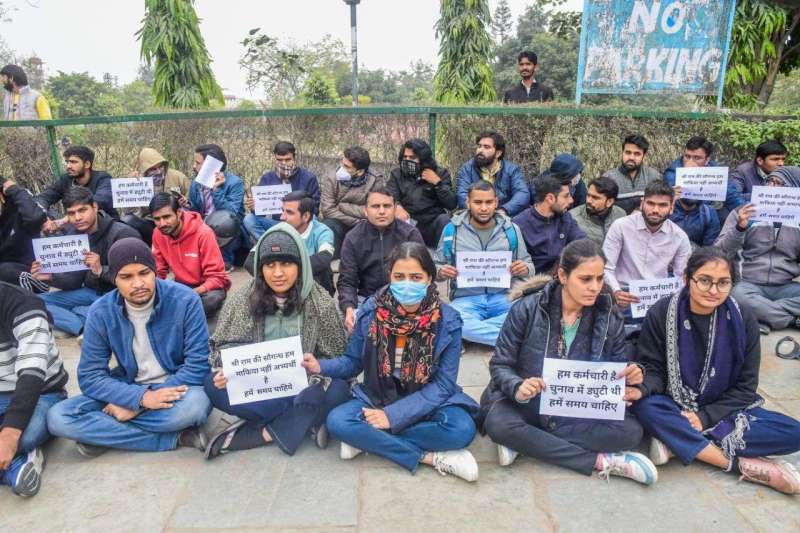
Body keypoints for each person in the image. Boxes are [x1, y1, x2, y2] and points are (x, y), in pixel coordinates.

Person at [480, 240, 657, 485]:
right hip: (527, 403)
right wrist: (518, 386)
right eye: (585, 279)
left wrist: (630, 376)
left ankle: (527, 443)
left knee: (631, 431)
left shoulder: (609, 316)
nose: (595, 287)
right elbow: (500, 364)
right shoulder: (528, 308)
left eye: (599, 279)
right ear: (563, 275)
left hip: (575, 407)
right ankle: (600, 462)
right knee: (498, 423)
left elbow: (615, 368)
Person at [632, 247, 800, 494]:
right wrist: (643, 387)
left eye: (723, 283)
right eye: (704, 281)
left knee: (794, 433)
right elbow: (654, 370)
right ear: (687, 279)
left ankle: (674, 439)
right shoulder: (661, 312)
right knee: (646, 406)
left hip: (724, 410)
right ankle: (736, 464)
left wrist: (704, 417)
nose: (713, 290)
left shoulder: (743, 319)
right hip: (673, 402)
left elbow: (745, 388)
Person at [308, 242, 481, 482]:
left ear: (430, 278)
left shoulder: (448, 320)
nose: (407, 283)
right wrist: (320, 366)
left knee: (461, 429)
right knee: (338, 421)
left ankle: (368, 441)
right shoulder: (370, 311)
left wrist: (394, 415)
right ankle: (429, 457)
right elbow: (352, 362)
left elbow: (443, 385)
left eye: (416, 277)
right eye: (399, 276)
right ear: (389, 276)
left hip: (427, 398)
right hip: (378, 394)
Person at [46, 238, 212, 456]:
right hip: (128, 386)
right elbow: (90, 376)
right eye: (126, 277)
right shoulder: (100, 312)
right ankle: (176, 437)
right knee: (58, 418)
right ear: (114, 279)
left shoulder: (186, 300)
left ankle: (104, 435)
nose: (138, 284)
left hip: (178, 387)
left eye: (144, 273)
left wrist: (137, 405)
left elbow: (198, 367)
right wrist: (138, 397)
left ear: (155, 272)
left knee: (196, 406)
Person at [203, 224, 350, 458]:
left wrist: (315, 367)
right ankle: (305, 421)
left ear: (300, 265)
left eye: (286, 264)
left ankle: (259, 433)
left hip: (304, 385)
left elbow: (339, 358)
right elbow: (223, 346)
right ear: (261, 268)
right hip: (260, 387)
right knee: (212, 385)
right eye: (270, 265)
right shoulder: (243, 299)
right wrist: (226, 369)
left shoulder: (319, 302)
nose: (278, 273)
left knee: (339, 390)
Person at [436, 181, 534, 346]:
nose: (483, 208)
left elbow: (529, 265)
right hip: (466, 299)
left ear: (496, 202)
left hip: (505, 298)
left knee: (528, 314)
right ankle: (511, 339)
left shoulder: (511, 230)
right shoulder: (451, 230)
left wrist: (524, 269)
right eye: (478, 202)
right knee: (449, 316)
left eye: (488, 202)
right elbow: (435, 267)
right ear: (468, 202)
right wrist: (441, 272)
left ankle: (469, 334)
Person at [33, 187, 141, 337]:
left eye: (82, 210)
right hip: (89, 292)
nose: (77, 218)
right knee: (35, 302)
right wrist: (51, 277)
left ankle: (82, 319)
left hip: (118, 296)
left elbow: (137, 279)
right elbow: (74, 282)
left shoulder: (123, 233)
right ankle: (81, 326)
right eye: (71, 213)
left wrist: (101, 270)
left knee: (88, 309)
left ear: (95, 207)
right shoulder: (74, 234)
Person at [0, 282, 67, 497]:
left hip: (42, 392)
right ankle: (15, 466)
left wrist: (9, 435)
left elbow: (32, 374)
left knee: (25, 436)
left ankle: (17, 454)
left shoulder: (24, 305)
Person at [716, 166, 800, 332]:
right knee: (736, 298)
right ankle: (791, 320)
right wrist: (740, 228)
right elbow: (719, 252)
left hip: (785, 286)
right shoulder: (743, 212)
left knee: (743, 305)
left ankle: (761, 316)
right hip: (747, 285)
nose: (772, 187)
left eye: (779, 184)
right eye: (769, 181)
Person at [338, 186, 424, 333]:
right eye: (375, 206)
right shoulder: (353, 238)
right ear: (365, 210)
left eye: (387, 206)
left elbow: (423, 274)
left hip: (406, 297)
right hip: (366, 298)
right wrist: (349, 308)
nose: (382, 211)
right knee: (349, 323)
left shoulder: (410, 234)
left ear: (395, 208)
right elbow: (347, 280)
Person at [603, 181, 692, 314]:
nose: (655, 210)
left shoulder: (679, 237)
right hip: (621, 293)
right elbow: (606, 268)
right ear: (642, 203)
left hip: (658, 296)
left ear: (672, 207)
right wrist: (615, 291)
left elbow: (681, 278)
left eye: (662, 205)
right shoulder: (621, 226)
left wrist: (670, 301)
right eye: (650, 203)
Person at [149, 193, 230, 318]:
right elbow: (158, 271)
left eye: (167, 217)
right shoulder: (157, 234)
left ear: (179, 213)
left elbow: (218, 278)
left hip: (207, 289)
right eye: (157, 219)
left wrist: (191, 293)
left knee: (209, 301)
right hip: (181, 285)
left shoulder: (203, 233)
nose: (162, 223)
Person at [245, 191, 336, 295]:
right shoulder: (278, 230)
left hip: (312, 285)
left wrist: (290, 273)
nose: (282, 217)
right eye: (282, 211)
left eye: (289, 212)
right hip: (280, 286)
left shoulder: (322, 231)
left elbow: (325, 257)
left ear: (306, 216)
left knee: (323, 270)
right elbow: (250, 261)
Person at [182, 144, 245, 270]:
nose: (194, 166)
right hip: (203, 224)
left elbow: (231, 213)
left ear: (211, 165)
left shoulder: (235, 183)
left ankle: (225, 260)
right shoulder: (197, 183)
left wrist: (217, 190)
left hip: (227, 230)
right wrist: (186, 205)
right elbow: (196, 210)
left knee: (223, 221)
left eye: (198, 163)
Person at [243, 141, 321, 242]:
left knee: (313, 219)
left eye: (287, 159)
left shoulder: (308, 178)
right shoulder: (267, 178)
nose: (284, 163)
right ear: (275, 159)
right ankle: (269, 245)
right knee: (249, 219)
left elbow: (315, 208)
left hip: (299, 223)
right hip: (276, 222)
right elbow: (261, 213)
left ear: (294, 158)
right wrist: (255, 208)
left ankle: (303, 248)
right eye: (280, 160)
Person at [385, 138, 456, 248]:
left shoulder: (440, 173)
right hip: (408, 222)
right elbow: (389, 195)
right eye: (405, 157)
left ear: (423, 159)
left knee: (444, 220)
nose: (407, 160)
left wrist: (438, 183)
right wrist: (397, 207)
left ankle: (444, 259)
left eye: (412, 157)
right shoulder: (397, 174)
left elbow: (451, 204)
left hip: (432, 223)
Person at [514, 175, 586, 275]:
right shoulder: (519, 224)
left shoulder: (565, 218)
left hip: (560, 276)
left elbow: (582, 241)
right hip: (531, 282)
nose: (571, 200)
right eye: (566, 196)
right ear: (550, 198)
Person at [36, 146, 117, 230]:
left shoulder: (103, 179)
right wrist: (43, 217)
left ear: (87, 164)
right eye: (67, 162)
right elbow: (44, 198)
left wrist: (68, 218)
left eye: (73, 162)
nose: (68, 166)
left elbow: (101, 200)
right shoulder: (65, 180)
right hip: (78, 229)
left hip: (106, 228)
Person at [663, 136, 744, 221]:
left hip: (707, 216)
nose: (690, 162)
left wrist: (750, 216)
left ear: (707, 160)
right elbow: (686, 201)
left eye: (697, 158)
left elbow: (732, 197)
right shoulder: (672, 172)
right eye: (687, 156)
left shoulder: (715, 172)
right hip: (680, 217)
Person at [122, 147, 192, 245]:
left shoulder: (178, 177)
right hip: (152, 223)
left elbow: (193, 200)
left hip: (176, 221)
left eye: (160, 167)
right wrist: (130, 186)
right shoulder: (138, 181)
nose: (158, 171)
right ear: (145, 170)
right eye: (153, 169)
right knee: (127, 220)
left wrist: (186, 202)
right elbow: (130, 213)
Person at [320, 146, 381, 256]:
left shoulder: (375, 180)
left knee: (370, 229)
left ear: (360, 171)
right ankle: (331, 260)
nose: (341, 168)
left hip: (364, 224)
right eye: (342, 163)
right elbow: (328, 210)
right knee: (328, 226)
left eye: (346, 166)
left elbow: (373, 210)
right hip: (339, 221)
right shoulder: (332, 177)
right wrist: (355, 220)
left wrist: (343, 206)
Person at [456, 130, 529, 217]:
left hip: (504, 217)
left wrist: (504, 210)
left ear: (498, 153)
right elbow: (462, 195)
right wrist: (482, 212)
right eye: (479, 146)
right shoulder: (467, 169)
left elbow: (522, 193)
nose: (480, 150)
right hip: (475, 217)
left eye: (486, 147)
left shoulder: (511, 170)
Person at [0, 176, 47, 291]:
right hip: (7, 281)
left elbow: (35, 218)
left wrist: (14, 189)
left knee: (4, 270)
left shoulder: (20, 209)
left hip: (31, 271)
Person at [601, 134, 662, 214]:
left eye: (637, 154)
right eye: (628, 152)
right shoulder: (609, 178)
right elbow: (602, 209)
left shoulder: (653, 176)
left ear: (644, 156)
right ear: (622, 153)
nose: (631, 157)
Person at [569, 176, 626, 247]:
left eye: (595, 198)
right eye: (588, 195)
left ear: (609, 202)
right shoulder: (573, 218)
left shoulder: (620, 215)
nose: (588, 201)